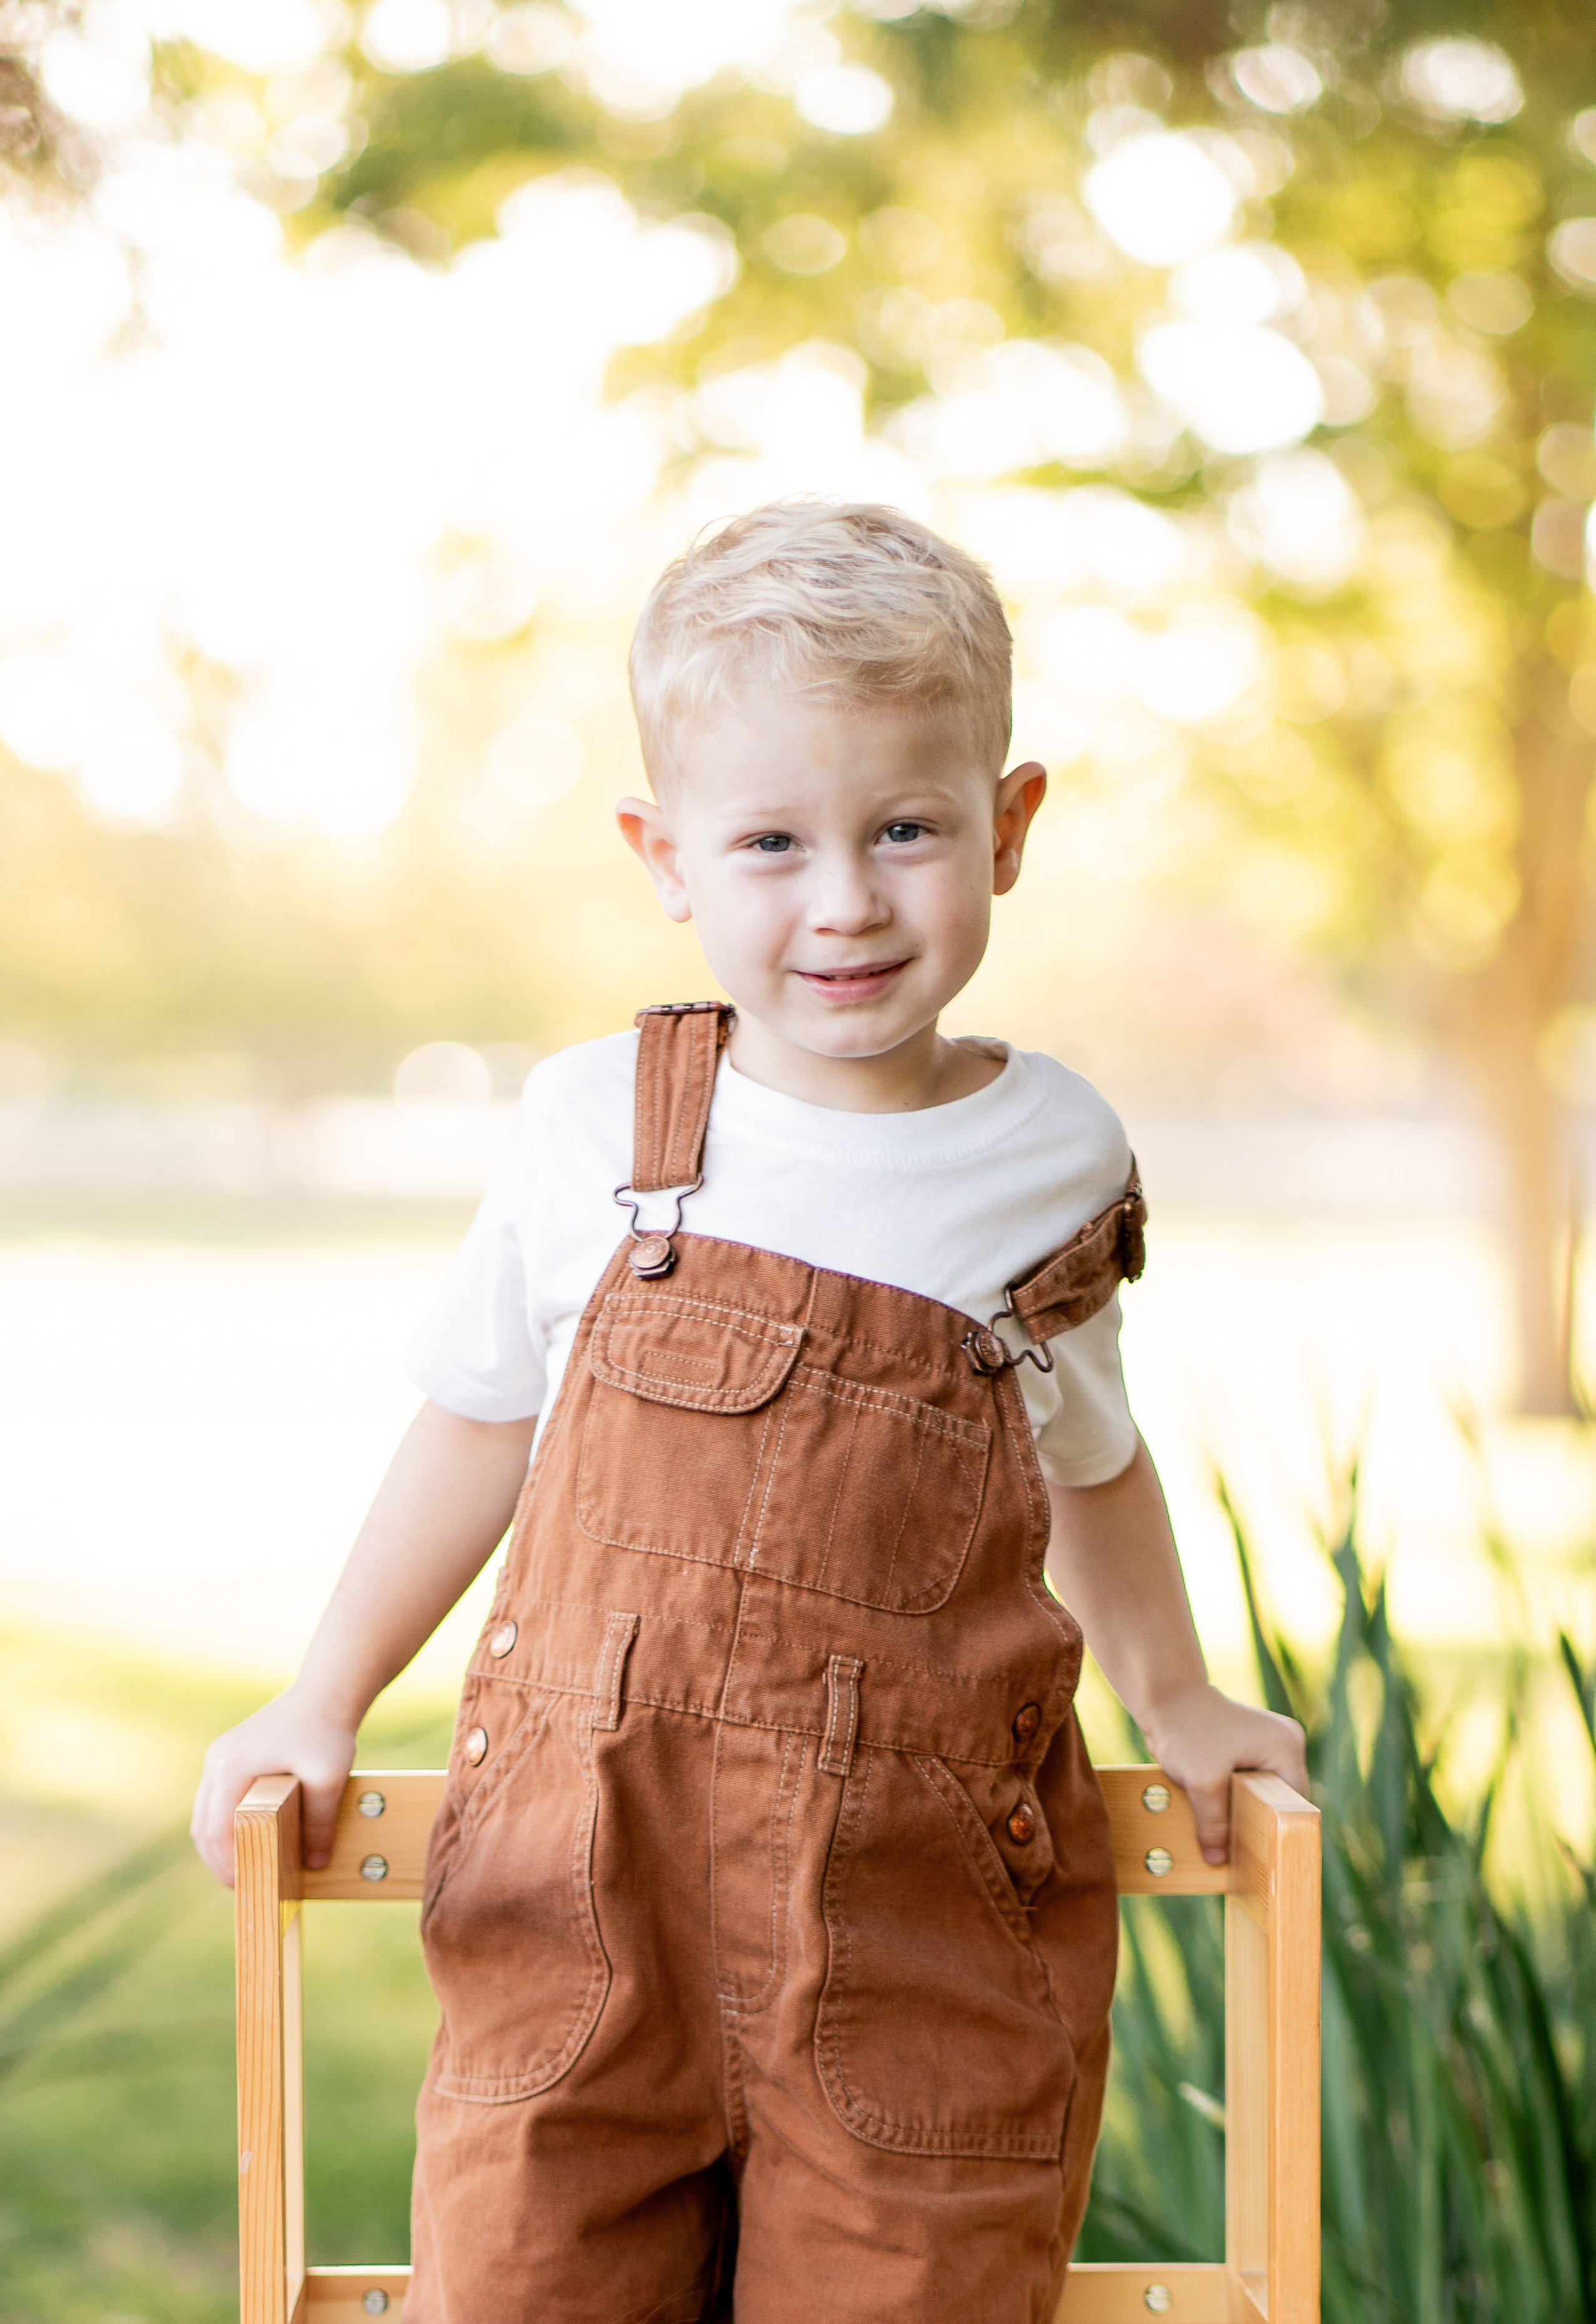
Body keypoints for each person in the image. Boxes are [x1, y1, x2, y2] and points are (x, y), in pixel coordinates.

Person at [192, 500, 1306, 2322]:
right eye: (773, 841)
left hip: (918, 1916)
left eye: (906, 827)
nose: (846, 898)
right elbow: (476, 1423)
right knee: (532, 2278)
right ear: (667, 857)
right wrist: (320, 1694)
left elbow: (1087, 1456)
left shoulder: (1048, 1154)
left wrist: (1173, 1694)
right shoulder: (595, 1127)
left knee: (909, 2280)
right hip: (583, 1897)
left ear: (1008, 828)